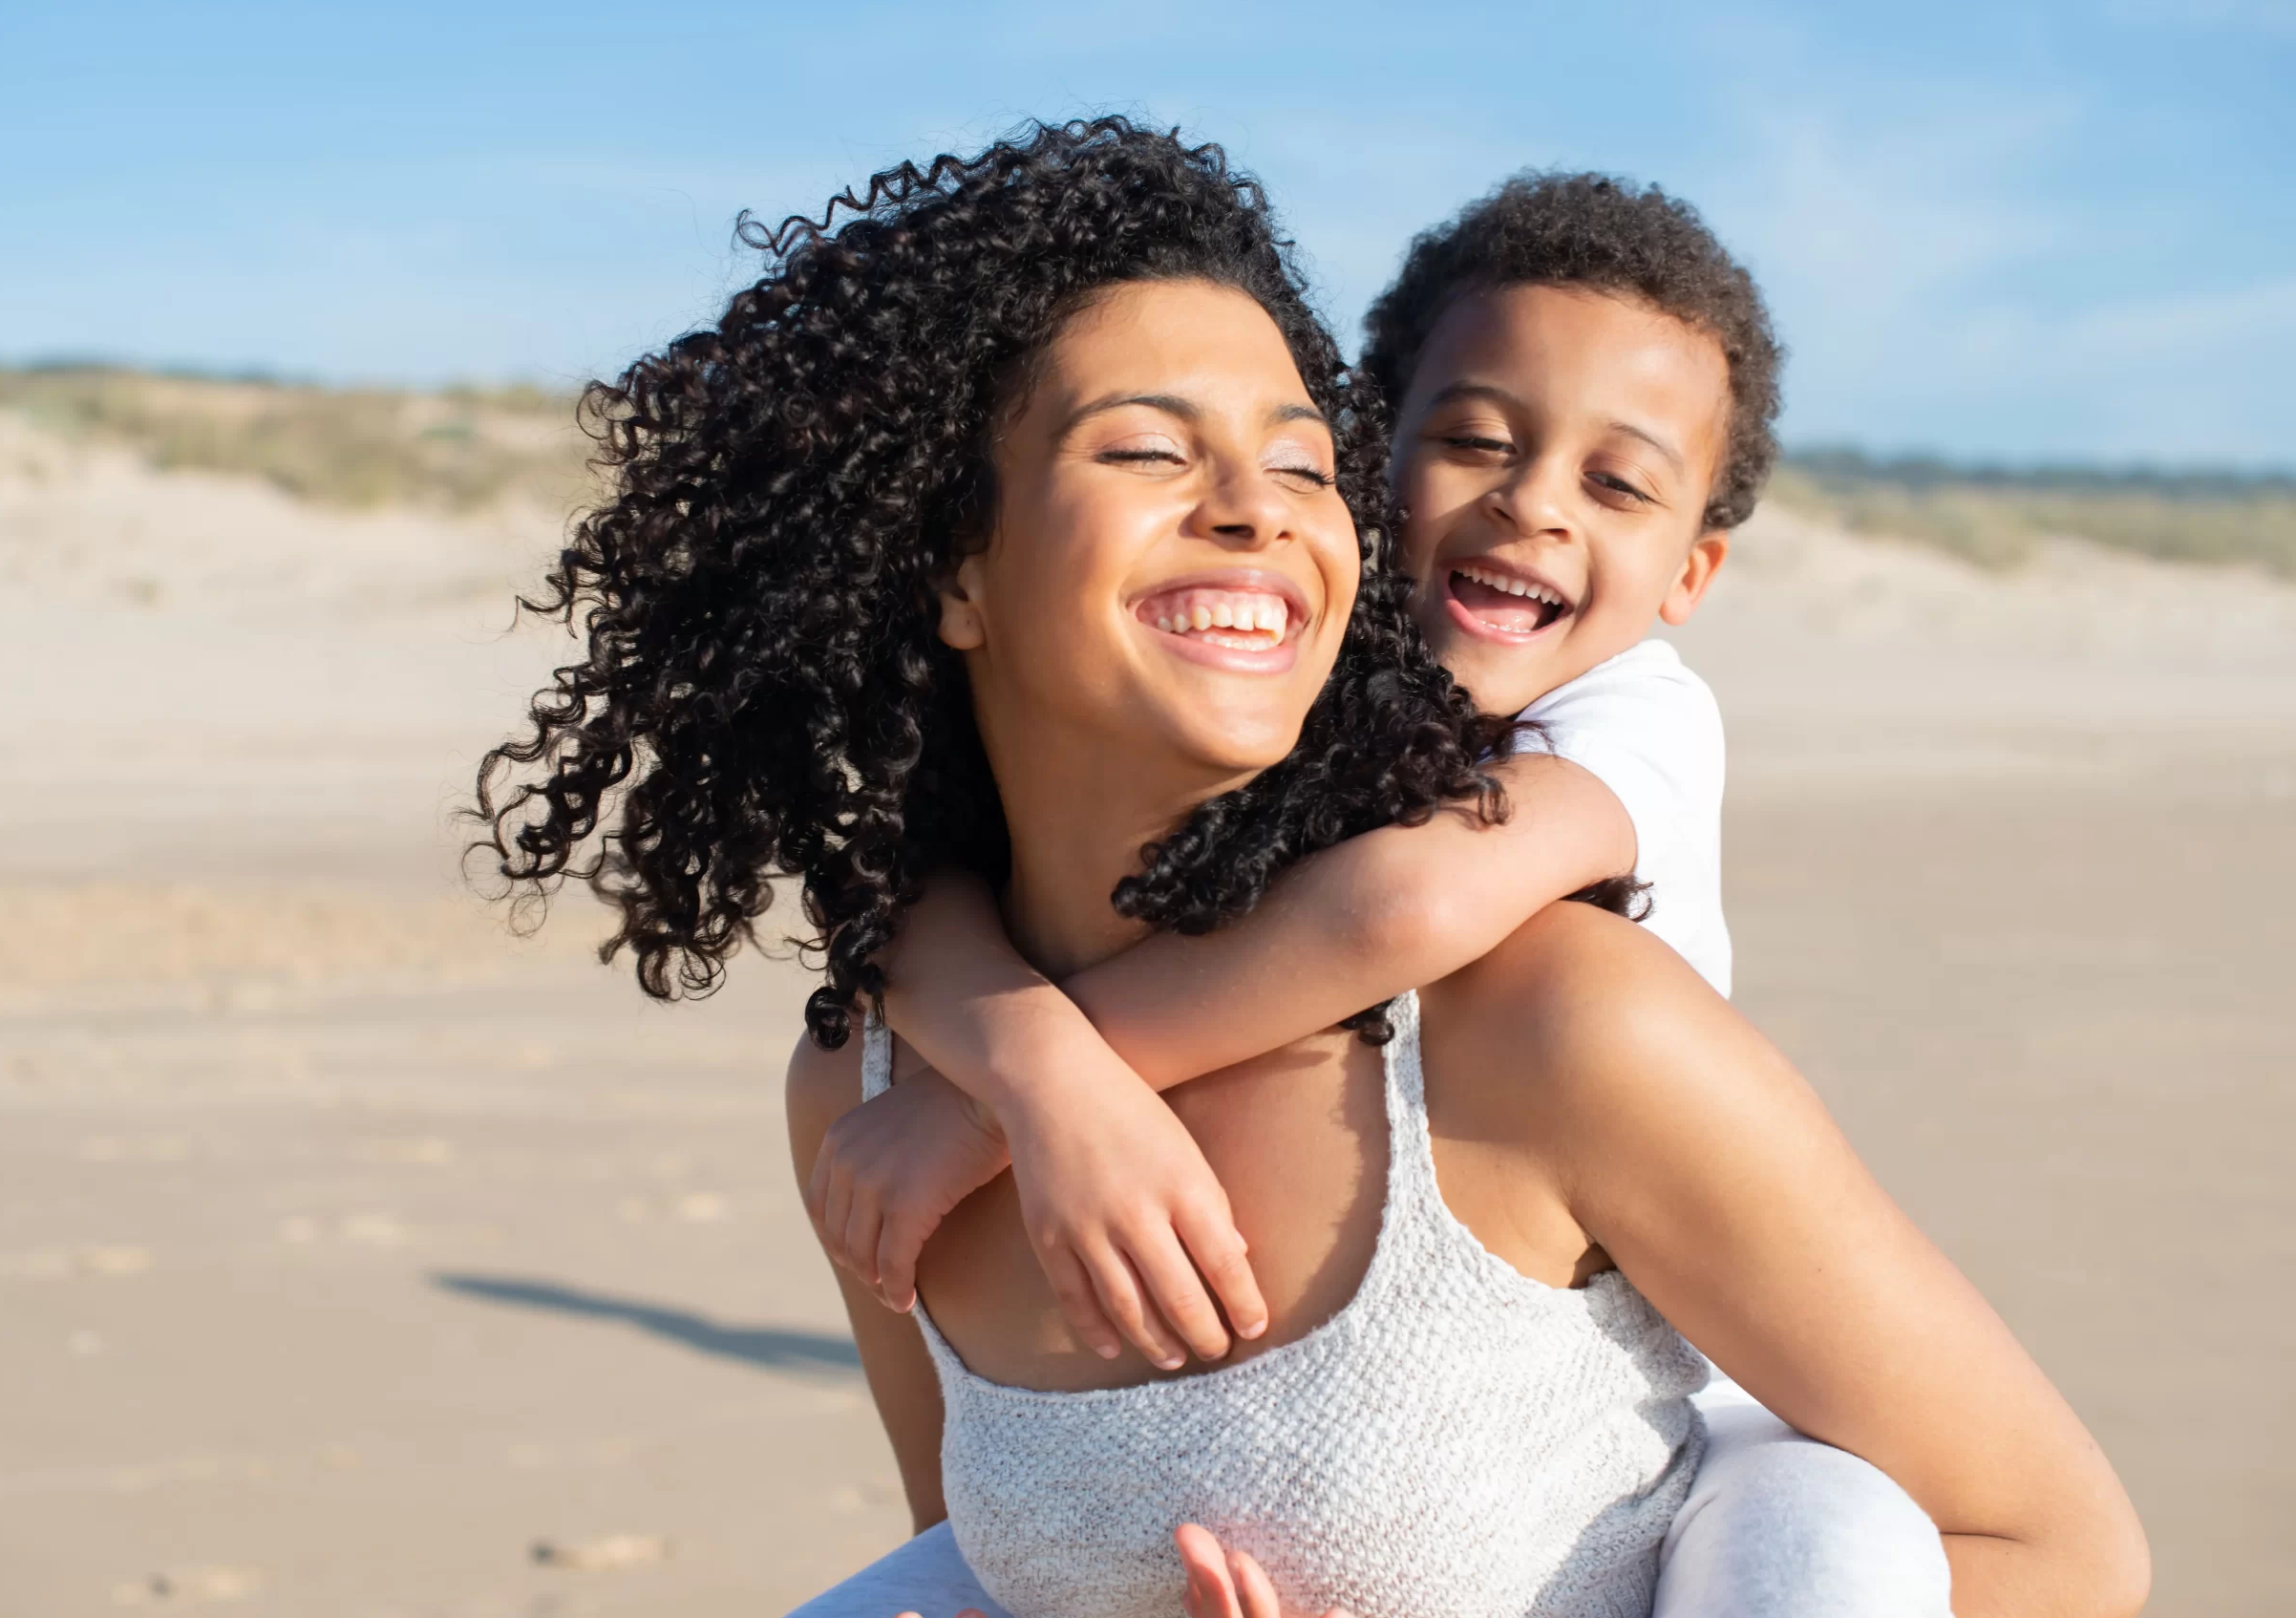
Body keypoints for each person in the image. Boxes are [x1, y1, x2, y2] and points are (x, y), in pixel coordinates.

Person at [476, 119, 2147, 1618]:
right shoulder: (865, 1082)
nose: (1260, 511)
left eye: (1300, 459)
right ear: (949, 565)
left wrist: (1026, 1083)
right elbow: (995, 1561)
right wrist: (1013, 1067)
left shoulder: (1554, 1017)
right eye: (1146, 449)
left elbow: (2060, 1550)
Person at [808, 175, 1968, 1613]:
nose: (1533, 504)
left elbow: (1401, 910)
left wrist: (1015, 1093)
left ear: (1694, 569)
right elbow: (911, 898)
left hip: (1703, 1392)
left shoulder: (1624, 729)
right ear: (1379, 463)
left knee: (1828, 1549)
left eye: (1617, 483)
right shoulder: (1323, 705)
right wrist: (1006, 1058)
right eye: (1474, 442)